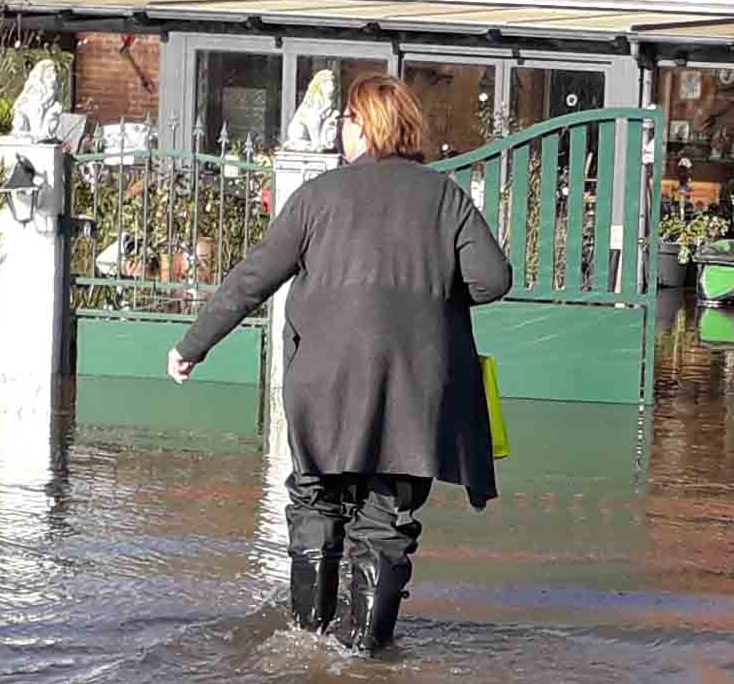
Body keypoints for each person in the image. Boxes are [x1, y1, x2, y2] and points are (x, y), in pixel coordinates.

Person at [170, 73, 514, 654]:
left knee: (316, 500)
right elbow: (493, 280)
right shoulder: (446, 197)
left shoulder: (317, 198)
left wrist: (192, 345)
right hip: (414, 392)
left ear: (365, 126)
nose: (340, 130)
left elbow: (252, 279)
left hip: (324, 388)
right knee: (387, 521)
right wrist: (432, 292)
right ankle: (363, 656)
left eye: (347, 120)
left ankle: (308, 642)